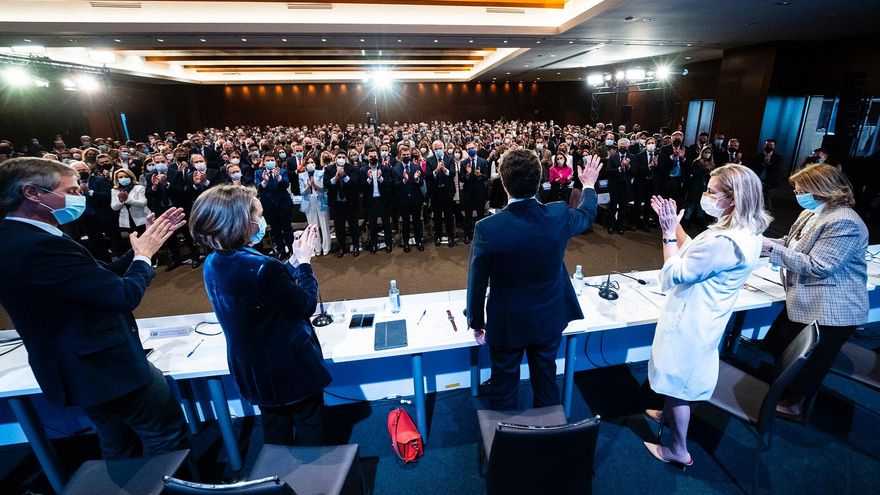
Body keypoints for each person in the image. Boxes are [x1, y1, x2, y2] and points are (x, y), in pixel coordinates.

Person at [0, 157, 189, 459]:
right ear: (32, 193)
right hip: (108, 371)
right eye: (71, 190)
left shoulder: (17, 237)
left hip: (84, 373)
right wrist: (143, 258)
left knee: (118, 444)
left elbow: (96, 277)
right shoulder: (39, 246)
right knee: (166, 438)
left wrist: (140, 250)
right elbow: (121, 295)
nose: (80, 196)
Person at [643, 163, 770, 467]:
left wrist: (666, 234)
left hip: (691, 322)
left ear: (734, 198)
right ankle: (668, 412)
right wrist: (674, 225)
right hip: (703, 315)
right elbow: (693, 251)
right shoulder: (741, 230)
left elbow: (677, 272)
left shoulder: (726, 241)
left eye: (712, 192)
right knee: (675, 377)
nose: (706, 195)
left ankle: (678, 449)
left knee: (678, 382)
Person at [191, 186, 331, 446]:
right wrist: (306, 265)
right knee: (310, 427)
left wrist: (292, 262)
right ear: (243, 221)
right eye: (259, 214)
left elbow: (264, 289)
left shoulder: (214, 261)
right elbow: (305, 305)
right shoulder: (261, 267)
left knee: (275, 427)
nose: (262, 220)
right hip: (287, 367)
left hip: (253, 368)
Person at [466, 150, 601, 410]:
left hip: (507, 323)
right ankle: (548, 444)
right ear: (539, 180)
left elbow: (477, 282)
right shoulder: (558, 215)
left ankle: (504, 446)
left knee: (503, 388)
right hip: (548, 317)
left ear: (503, 183)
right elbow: (586, 215)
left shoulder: (487, 228)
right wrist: (589, 186)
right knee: (546, 383)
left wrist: (476, 321)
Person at [761, 163, 868, 421]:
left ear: (820, 190)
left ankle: (795, 406)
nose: (797, 195)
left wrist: (772, 250)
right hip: (807, 300)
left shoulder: (844, 222)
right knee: (779, 344)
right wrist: (761, 244)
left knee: (809, 363)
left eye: (801, 190)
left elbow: (820, 266)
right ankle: (785, 392)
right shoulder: (813, 213)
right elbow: (791, 243)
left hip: (832, 307)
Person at [255, 153, 295, 259]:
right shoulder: (259, 173)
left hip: (284, 205)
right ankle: (281, 250)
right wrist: (265, 181)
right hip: (270, 206)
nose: (270, 162)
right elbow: (258, 187)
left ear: (275, 161)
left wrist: (278, 177)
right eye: (268, 160)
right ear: (263, 162)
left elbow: (286, 184)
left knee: (287, 229)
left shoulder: (282, 171)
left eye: (272, 160)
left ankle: (292, 250)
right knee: (276, 230)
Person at [324, 151, 361, 258]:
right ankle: (341, 247)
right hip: (337, 204)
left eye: (343, 157)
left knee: (354, 226)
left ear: (346, 158)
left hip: (350, 203)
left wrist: (344, 176)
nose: (341, 159)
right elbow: (326, 184)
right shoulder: (329, 169)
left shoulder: (352, 168)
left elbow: (354, 183)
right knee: (339, 227)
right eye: (339, 157)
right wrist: (335, 178)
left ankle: (355, 246)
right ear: (335, 158)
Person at [360, 149, 394, 254]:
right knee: (373, 225)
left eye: (374, 156)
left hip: (383, 200)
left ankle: (388, 244)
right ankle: (374, 244)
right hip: (371, 201)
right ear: (367, 157)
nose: (373, 158)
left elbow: (389, 184)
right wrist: (369, 179)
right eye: (371, 156)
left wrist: (380, 178)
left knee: (386, 224)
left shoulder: (384, 168)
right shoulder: (363, 170)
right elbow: (361, 188)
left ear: (377, 156)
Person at [392, 145, 425, 252]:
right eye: (404, 155)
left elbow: (421, 183)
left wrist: (416, 179)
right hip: (403, 200)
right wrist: (404, 181)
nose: (406, 156)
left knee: (417, 222)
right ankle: (405, 242)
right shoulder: (395, 168)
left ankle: (419, 241)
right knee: (405, 223)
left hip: (415, 199)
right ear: (400, 156)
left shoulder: (416, 166)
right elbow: (395, 185)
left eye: (407, 154)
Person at [425, 140, 457, 247]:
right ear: (433, 150)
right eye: (436, 149)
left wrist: (444, 169)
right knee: (437, 216)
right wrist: (436, 170)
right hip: (435, 192)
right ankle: (438, 236)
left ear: (444, 148)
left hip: (447, 191)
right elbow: (428, 176)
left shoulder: (450, 158)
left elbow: (452, 174)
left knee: (448, 216)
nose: (438, 150)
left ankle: (450, 237)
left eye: (440, 148)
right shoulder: (429, 160)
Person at [298, 157, 331, 256]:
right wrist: (309, 186)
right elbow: (302, 192)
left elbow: (324, 189)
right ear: (305, 165)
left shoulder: (321, 173)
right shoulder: (301, 175)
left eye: (312, 162)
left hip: (321, 200)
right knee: (313, 226)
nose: (310, 164)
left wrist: (314, 185)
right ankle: (316, 248)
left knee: (324, 224)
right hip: (309, 201)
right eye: (308, 162)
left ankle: (326, 247)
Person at [459, 141, 489, 245]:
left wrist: (479, 174)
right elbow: (461, 179)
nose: (471, 150)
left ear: (475, 148)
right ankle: (467, 235)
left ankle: (480, 236)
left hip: (480, 192)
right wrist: (467, 174)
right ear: (466, 151)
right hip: (468, 193)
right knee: (468, 216)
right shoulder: (463, 163)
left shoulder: (483, 161)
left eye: (472, 148)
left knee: (481, 215)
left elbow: (486, 177)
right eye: (468, 149)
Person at [110, 168, 151, 244]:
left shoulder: (139, 188)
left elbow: (143, 203)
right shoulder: (114, 190)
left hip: (141, 219)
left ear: (131, 177)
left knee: (146, 241)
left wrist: (127, 199)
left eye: (126, 176)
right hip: (127, 221)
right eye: (120, 177)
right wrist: (121, 201)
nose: (123, 178)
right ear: (117, 179)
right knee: (134, 243)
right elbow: (114, 207)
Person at [682, 146, 715, 227]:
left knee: (702, 204)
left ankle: (699, 219)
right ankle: (686, 220)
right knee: (691, 204)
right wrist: (705, 169)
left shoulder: (712, 163)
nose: (707, 154)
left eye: (709, 153)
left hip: (706, 187)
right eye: (706, 152)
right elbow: (694, 173)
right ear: (702, 153)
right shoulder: (697, 162)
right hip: (695, 186)